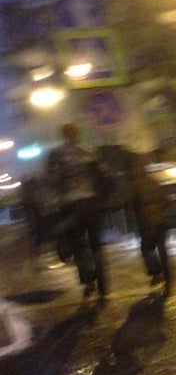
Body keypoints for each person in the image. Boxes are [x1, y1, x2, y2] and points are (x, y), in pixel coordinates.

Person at [45, 122, 110, 300]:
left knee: (78, 243)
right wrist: (100, 195)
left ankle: (89, 281)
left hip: (71, 206)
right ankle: (102, 279)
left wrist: (56, 199)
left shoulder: (56, 155)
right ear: (77, 134)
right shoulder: (89, 152)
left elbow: (52, 179)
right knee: (96, 242)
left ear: (63, 135)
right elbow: (105, 174)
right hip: (91, 203)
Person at [107, 151, 172, 296]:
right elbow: (166, 200)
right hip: (161, 221)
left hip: (147, 224)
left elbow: (122, 202)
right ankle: (168, 280)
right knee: (162, 249)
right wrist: (159, 209)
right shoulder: (153, 182)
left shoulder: (134, 185)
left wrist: (105, 206)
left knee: (146, 249)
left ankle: (156, 273)